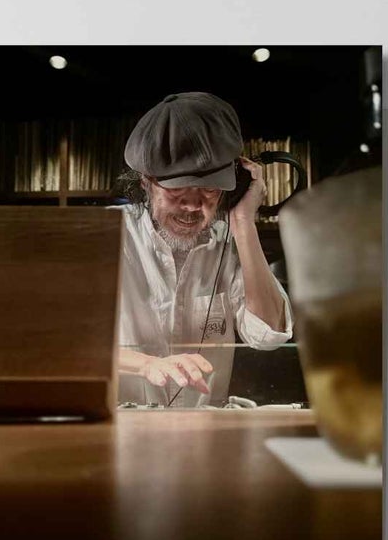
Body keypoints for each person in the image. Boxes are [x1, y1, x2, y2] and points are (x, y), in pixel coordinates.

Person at [114, 91, 291, 404]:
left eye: (209, 188)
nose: (193, 205)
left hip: (204, 436)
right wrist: (147, 364)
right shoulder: (105, 235)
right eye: (177, 189)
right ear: (145, 181)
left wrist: (243, 225)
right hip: (121, 431)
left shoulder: (230, 243)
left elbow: (268, 336)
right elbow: (61, 346)